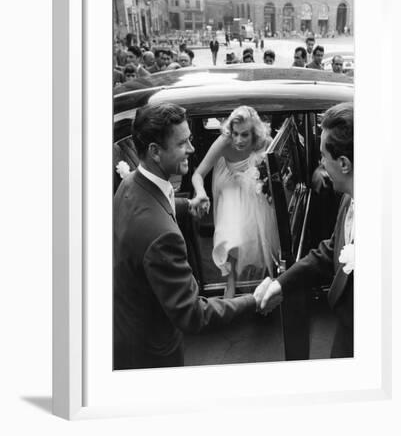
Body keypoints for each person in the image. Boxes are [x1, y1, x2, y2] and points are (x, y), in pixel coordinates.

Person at [113, 103, 258, 369]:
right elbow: (193, 314)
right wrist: (252, 301)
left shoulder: (130, 183)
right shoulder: (162, 237)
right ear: (155, 152)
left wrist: (186, 205)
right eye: (183, 143)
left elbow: (157, 204)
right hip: (152, 354)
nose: (191, 148)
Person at [255, 102, 354, 358]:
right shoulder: (348, 198)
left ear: (343, 163)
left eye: (323, 156)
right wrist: (281, 284)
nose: (321, 163)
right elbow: (332, 249)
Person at [192, 106, 280, 298]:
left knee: (260, 233)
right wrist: (201, 192)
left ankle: (269, 278)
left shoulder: (264, 141)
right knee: (231, 236)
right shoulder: (224, 141)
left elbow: (280, 160)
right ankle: (230, 281)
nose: (239, 140)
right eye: (235, 134)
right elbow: (198, 174)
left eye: (245, 135)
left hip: (254, 184)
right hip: (229, 183)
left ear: (254, 133)